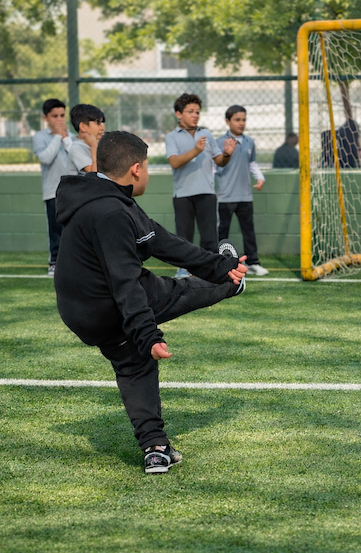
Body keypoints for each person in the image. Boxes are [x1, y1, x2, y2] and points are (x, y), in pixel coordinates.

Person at [54, 130, 248, 474]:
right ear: (136, 169)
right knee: (177, 292)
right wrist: (149, 335)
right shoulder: (110, 213)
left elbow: (163, 241)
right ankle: (232, 286)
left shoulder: (101, 196)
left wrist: (221, 265)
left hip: (79, 313)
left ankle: (155, 449)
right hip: (109, 302)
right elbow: (125, 283)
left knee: (134, 365)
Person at [165, 93, 237, 278]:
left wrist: (228, 153)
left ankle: (211, 270)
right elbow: (174, 162)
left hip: (206, 193)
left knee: (209, 237)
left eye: (197, 112)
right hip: (182, 195)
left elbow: (220, 161)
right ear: (179, 114)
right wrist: (196, 150)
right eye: (190, 111)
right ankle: (183, 269)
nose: (195, 115)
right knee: (184, 238)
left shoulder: (206, 134)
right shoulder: (172, 137)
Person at [215, 105, 270, 276]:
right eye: (237, 120)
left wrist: (260, 178)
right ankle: (218, 264)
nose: (241, 123)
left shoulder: (249, 142)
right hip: (224, 197)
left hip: (245, 196)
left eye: (244, 119)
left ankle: (253, 262)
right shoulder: (218, 142)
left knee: (248, 231)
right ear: (227, 121)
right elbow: (213, 167)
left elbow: (252, 164)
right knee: (221, 231)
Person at [33, 98, 72, 277]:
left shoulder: (69, 135)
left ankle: (73, 262)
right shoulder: (40, 137)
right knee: (56, 229)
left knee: (72, 228)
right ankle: (54, 262)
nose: (59, 119)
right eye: (54, 116)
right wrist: (57, 136)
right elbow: (46, 158)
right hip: (52, 191)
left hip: (72, 190)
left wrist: (65, 138)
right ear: (45, 117)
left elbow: (76, 158)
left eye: (62, 115)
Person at [67, 104, 106, 176]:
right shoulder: (77, 148)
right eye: (98, 123)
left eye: (102, 123)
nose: (102, 128)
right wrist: (94, 146)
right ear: (83, 127)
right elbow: (94, 175)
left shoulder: (99, 144)